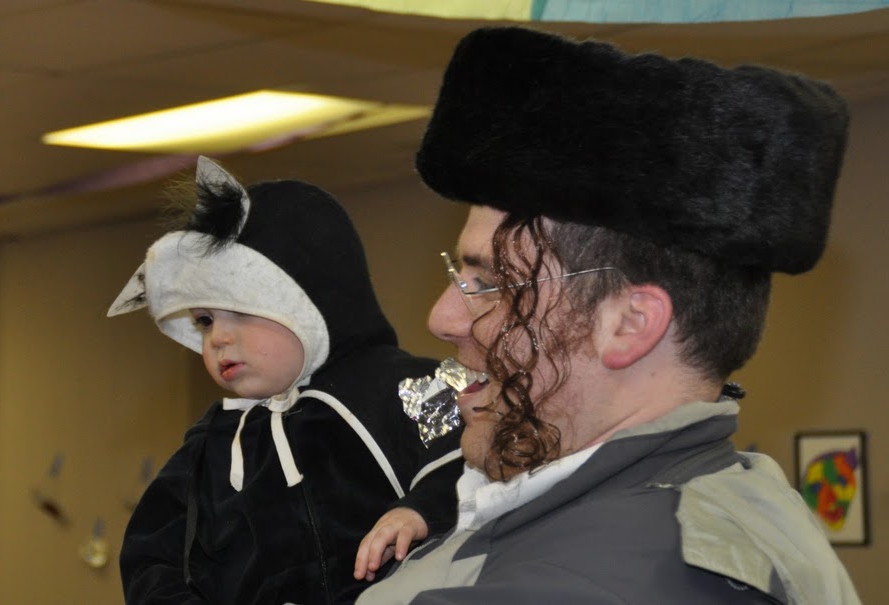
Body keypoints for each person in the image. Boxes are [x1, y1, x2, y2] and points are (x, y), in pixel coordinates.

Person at [356, 26, 862, 604]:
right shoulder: (738, 500)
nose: (443, 318)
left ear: (628, 324)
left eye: (493, 284)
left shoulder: (591, 581)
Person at [109, 156, 463, 604]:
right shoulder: (212, 444)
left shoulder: (406, 385)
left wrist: (422, 510)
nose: (217, 338)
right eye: (204, 320)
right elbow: (151, 555)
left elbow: (480, 459)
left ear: (309, 299)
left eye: (242, 310)